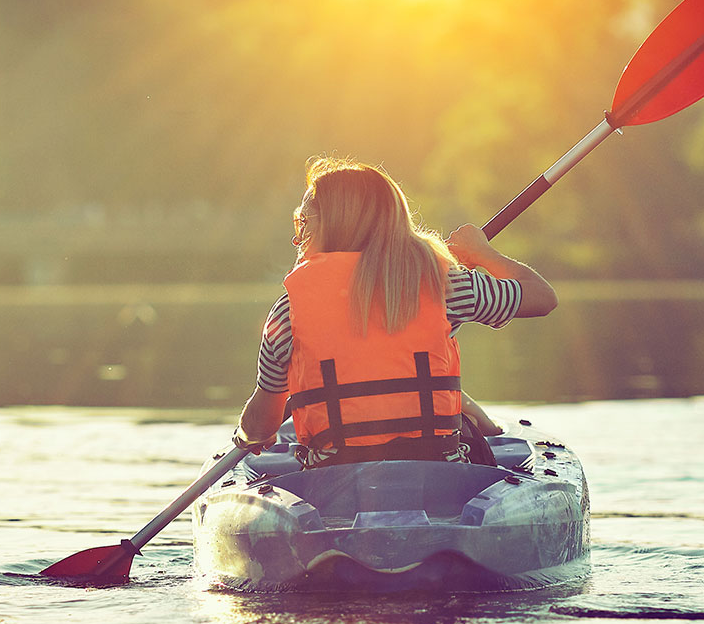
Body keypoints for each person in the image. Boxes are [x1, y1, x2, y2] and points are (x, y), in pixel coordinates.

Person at [233, 158, 558, 467]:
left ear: (331, 226)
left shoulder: (287, 312)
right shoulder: (446, 286)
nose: (298, 237)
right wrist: (482, 253)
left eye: (303, 223)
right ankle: (490, 428)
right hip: (441, 477)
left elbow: (260, 425)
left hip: (332, 482)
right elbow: (542, 296)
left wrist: (248, 435)